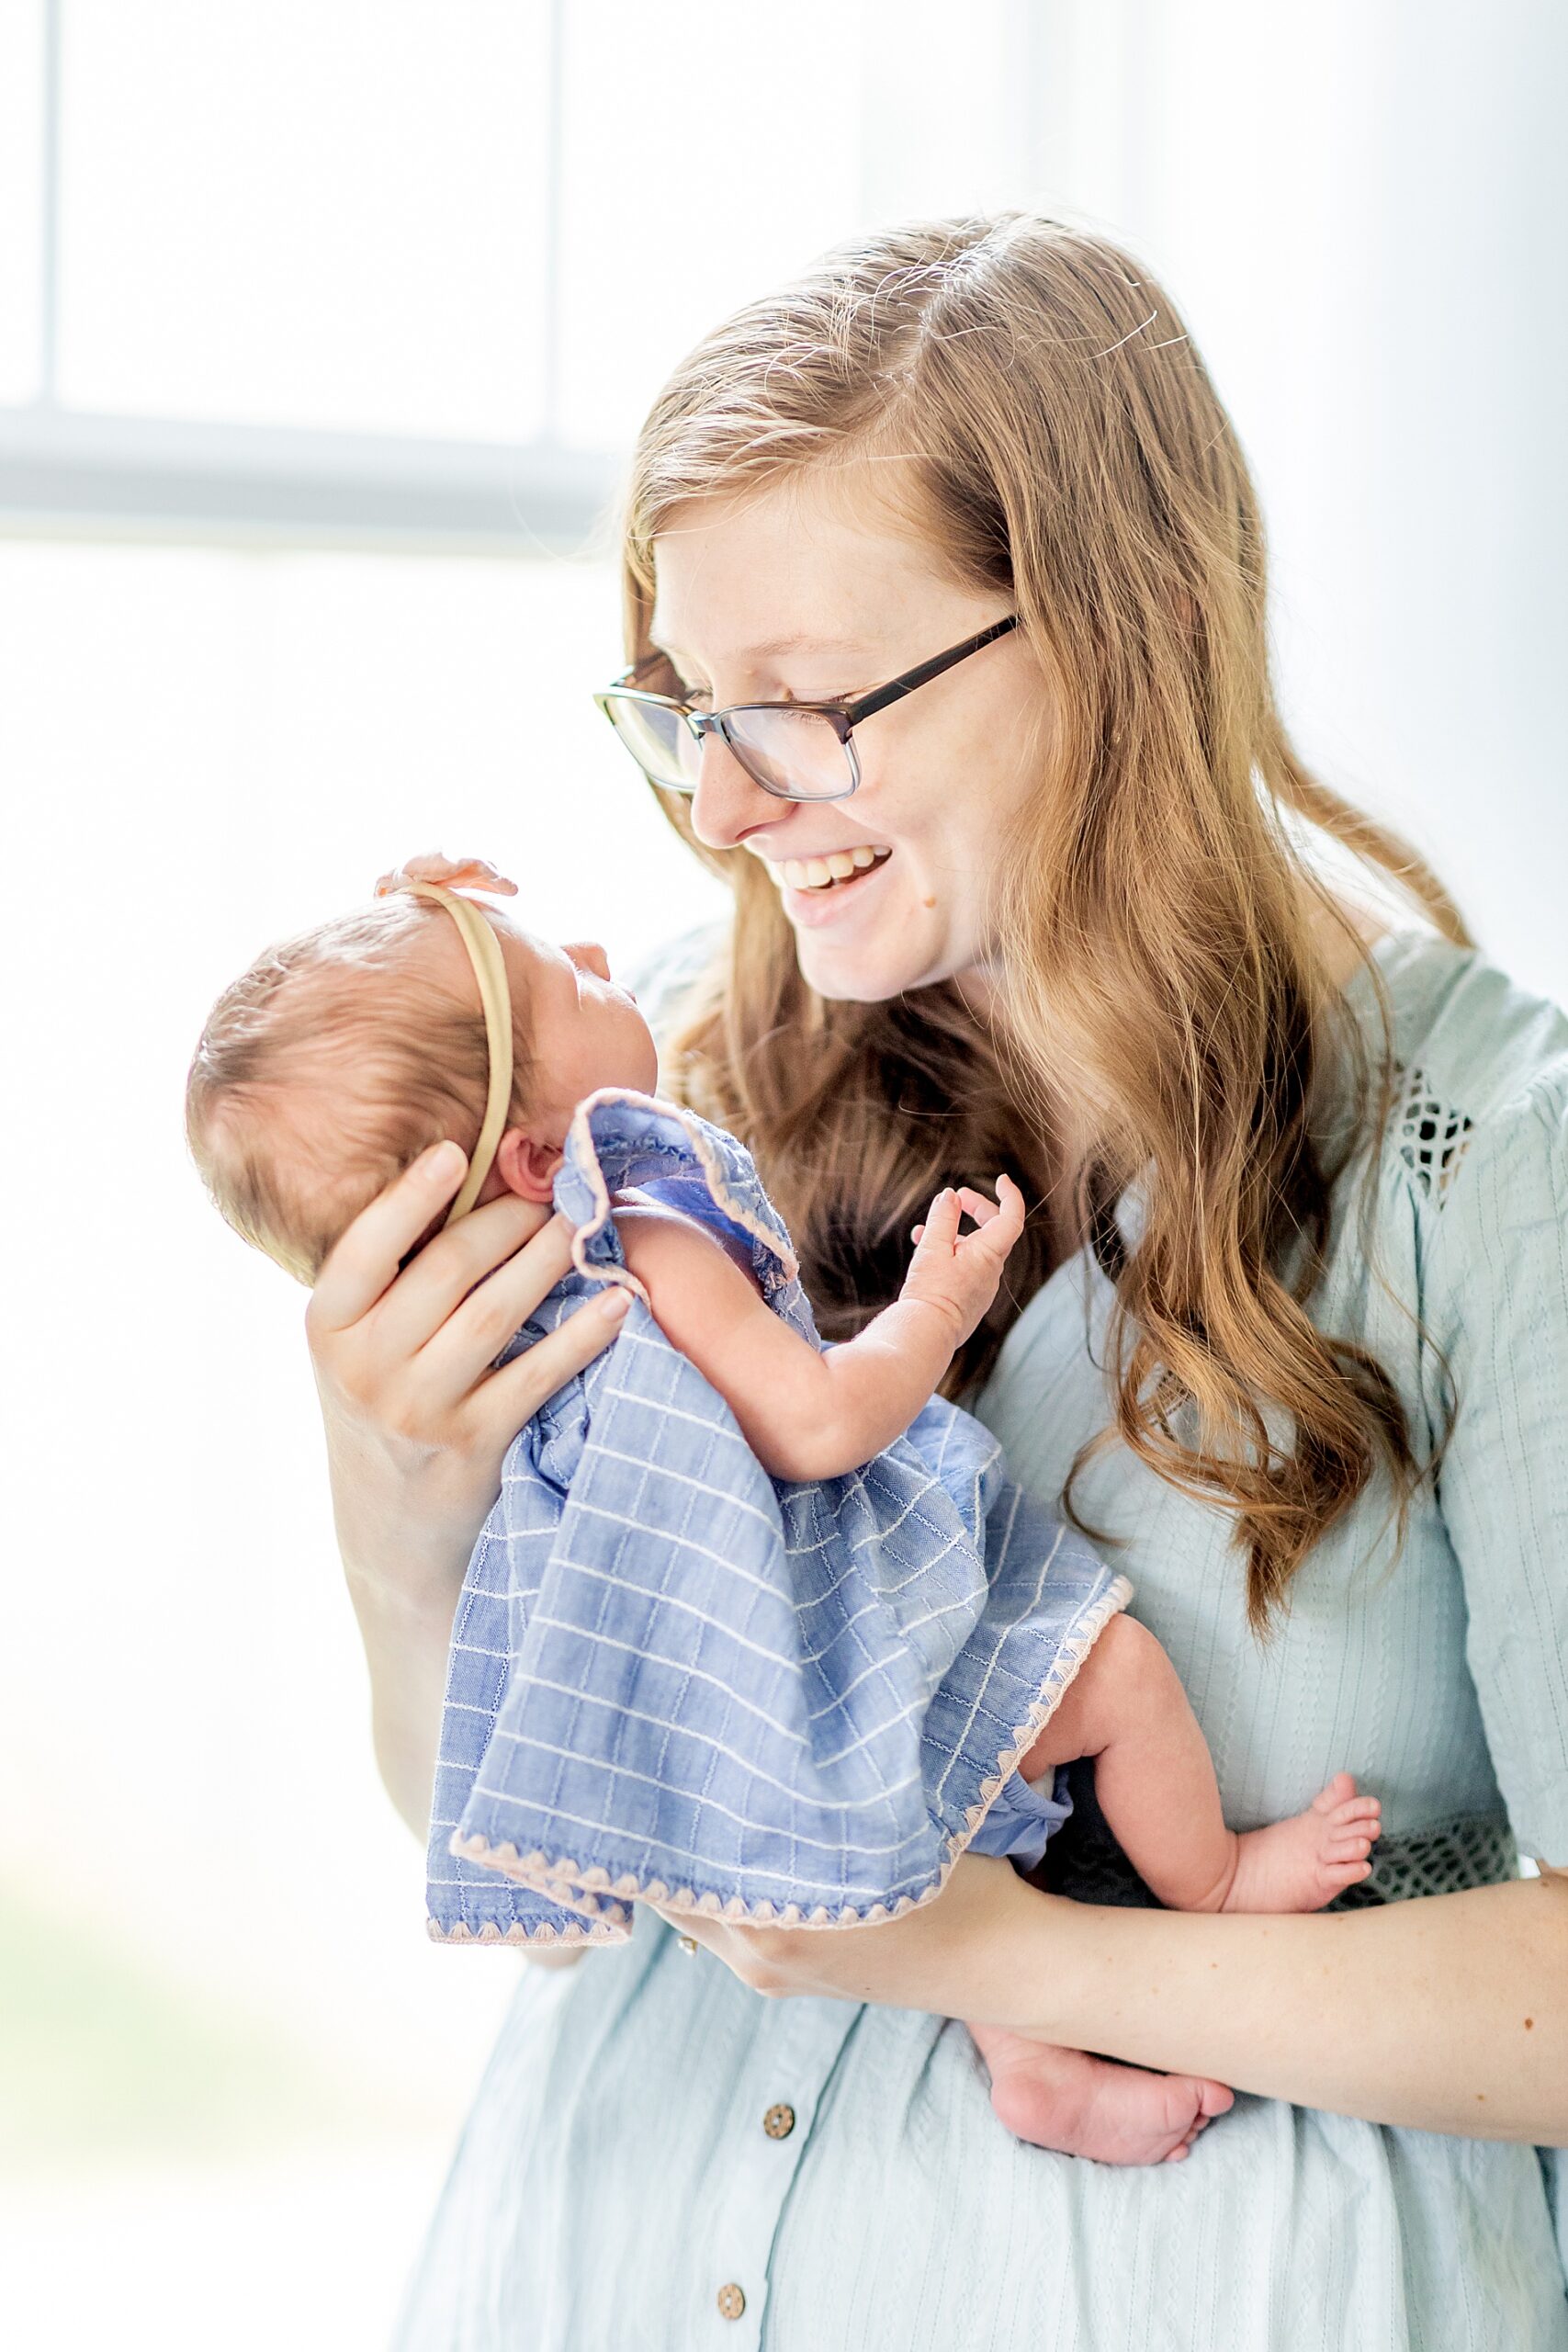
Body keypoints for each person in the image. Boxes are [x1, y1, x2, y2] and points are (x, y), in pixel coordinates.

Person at [301, 216, 1568, 2346]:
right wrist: (398, 1529)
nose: (718, 804)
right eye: (684, 709)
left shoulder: (1480, 1157)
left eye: (797, 710)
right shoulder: (675, 1083)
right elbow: (531, 1877)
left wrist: (988, 1951)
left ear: (1127, 624)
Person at [185, 854, 1382, 2168]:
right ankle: (1211, 1879)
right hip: (828, 1651)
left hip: (725, 1735)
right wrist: (935, 1306)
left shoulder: (493, 1341)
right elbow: (815, 1423)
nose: (597, 954)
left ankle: (1034, 2063)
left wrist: (437, 942)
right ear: (538, 1157)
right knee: (1115, 1674)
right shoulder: (641, 1233)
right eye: (557, 978)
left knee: (943, 1854)